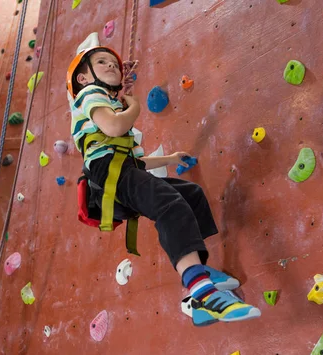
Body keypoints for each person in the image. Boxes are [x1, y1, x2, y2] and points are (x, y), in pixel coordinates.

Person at [66, 46, 261, 326]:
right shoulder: (89, 96)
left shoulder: (105, 104)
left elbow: (129, 157)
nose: (111, 65)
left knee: (189, 194)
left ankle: (198, 274)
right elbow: (114, 128)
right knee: (169, 205)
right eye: (101, 62)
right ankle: (203, 293)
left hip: (120, 171)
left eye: (114, 63)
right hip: (109, 175)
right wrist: (133, 103)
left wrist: (169, 158)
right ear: (83, 79)